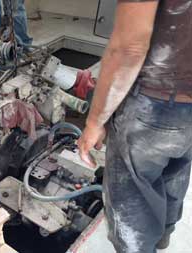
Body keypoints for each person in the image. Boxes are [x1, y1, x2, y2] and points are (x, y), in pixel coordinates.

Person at [78, 0, 192, 252]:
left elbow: (129, 47)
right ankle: (163, 236)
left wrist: (94, 122)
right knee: (176, 169)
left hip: (155, 102)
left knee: (131, 200)